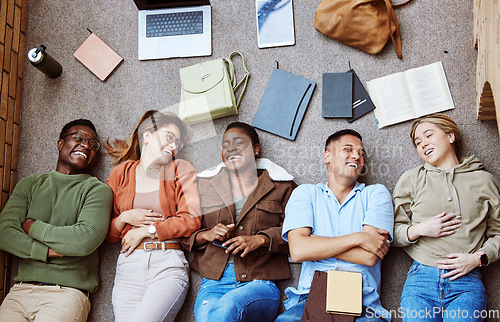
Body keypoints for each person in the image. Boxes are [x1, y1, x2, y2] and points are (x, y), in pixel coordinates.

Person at [0, 119, 113, 321]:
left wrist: (33, 226)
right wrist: (46, 252)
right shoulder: (30, 184)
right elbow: (4, 233)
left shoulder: (97, 190)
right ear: (61, 144)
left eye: (92, 144)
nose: (86, 145)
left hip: (66, 294)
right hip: (19, 292)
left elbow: (84, 239)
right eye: (78, 138)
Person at [276, 129, 394, 321]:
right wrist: (359, 237)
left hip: (362, 303)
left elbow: (370, 256)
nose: (356, 155)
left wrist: (313, 245)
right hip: (309, 298)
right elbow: (297, 251)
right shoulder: (305, 193)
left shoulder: (376, 194)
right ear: (327, 156)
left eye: (361, 153)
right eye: (348, 149)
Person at [183, 122, 296, 322]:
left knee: (227, 309)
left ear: (256, 148)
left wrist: (260, 240)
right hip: (214, 283)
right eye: (225, 145)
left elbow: (297, 234)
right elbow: (184, 234)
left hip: (260, 282)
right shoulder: (204, 185)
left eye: (239, 142)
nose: (231, 148)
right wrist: (206, 235)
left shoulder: (282, 185)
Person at [393, 114, 500, 321]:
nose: (423, 144)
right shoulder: (411, 179)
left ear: (450, 136)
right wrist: (420, 229)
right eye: (418, 142)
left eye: (429, 135)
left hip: (466, 280)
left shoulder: (486, 181)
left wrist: (478, 258)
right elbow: (391, 233)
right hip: (420, 280)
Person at [105, 110, 201, 322]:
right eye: (169, 137)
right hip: (128, 268)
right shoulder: (119, 174)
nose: (174, 146)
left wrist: (147, 230)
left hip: (166, 264)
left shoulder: (180, 169)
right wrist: (125, 218)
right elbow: (108, 233)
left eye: (178, 143)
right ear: (147, 135)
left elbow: (192, 218)